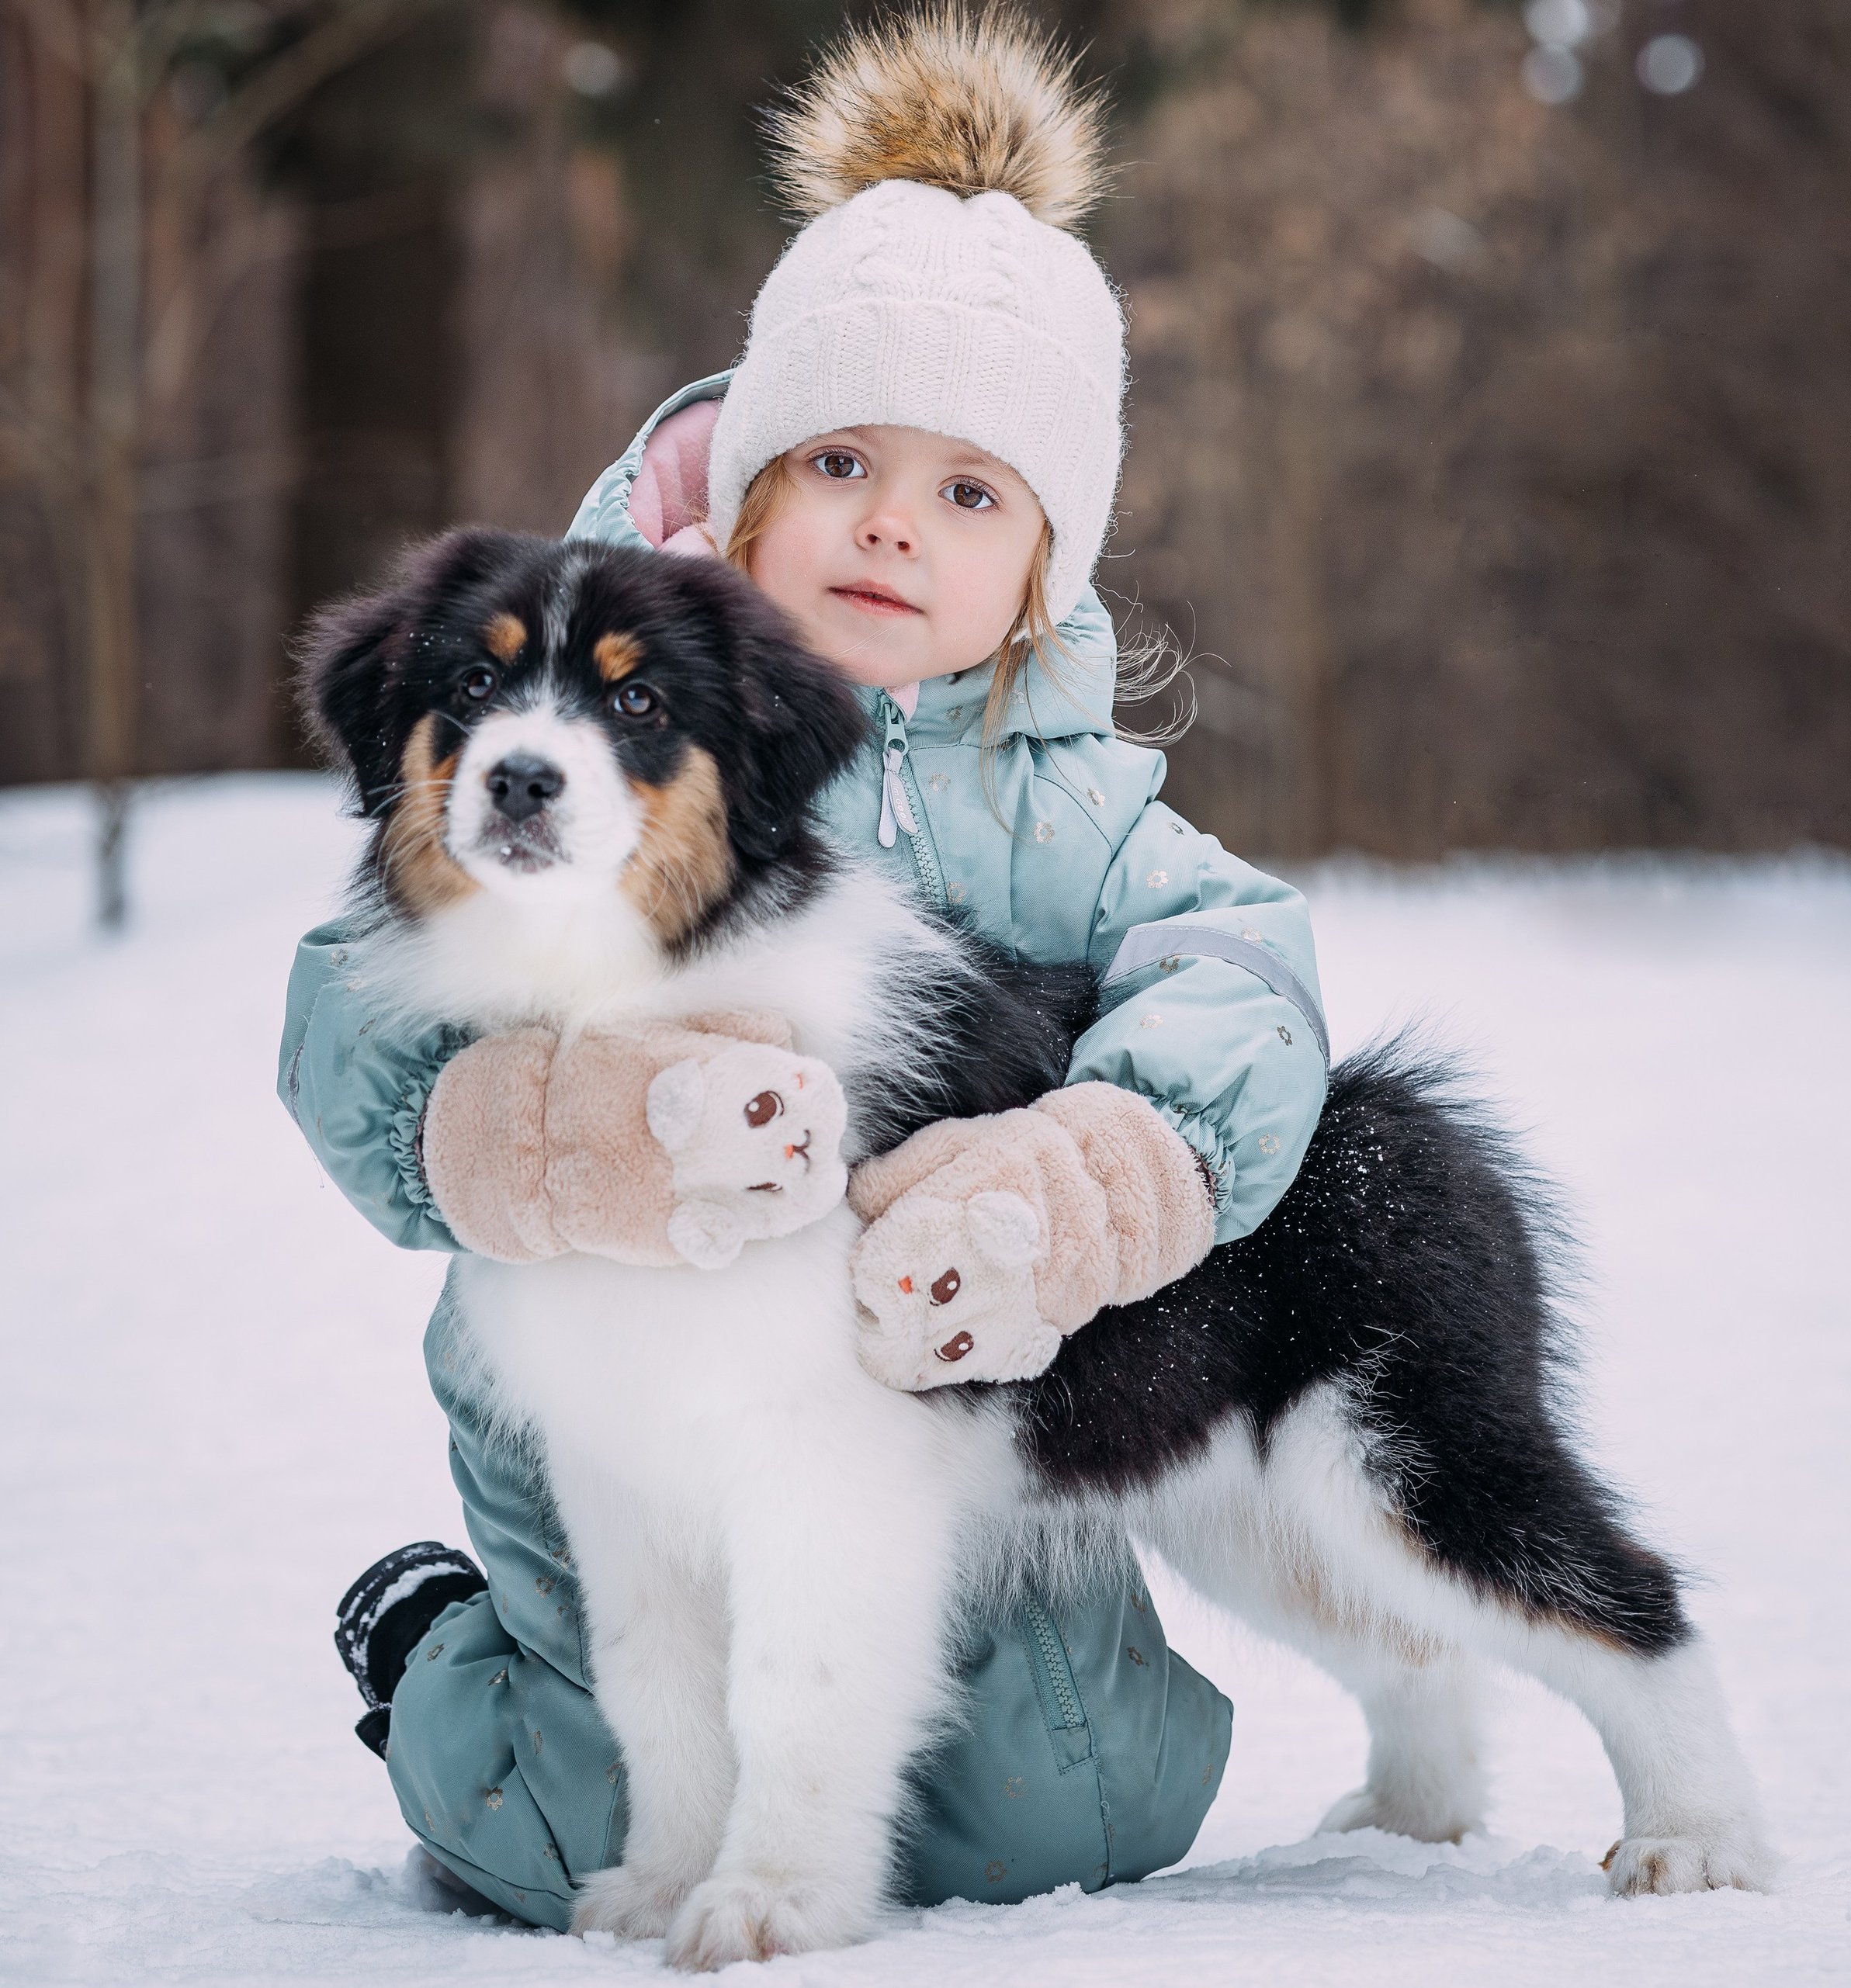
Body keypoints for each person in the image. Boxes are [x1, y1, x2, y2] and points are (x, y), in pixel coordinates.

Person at [284, 6, 1328, 1931]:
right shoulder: (553, 695)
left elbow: (1245, 973)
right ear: (746, 478)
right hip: (590, 1404)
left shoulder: (1063, 805)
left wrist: (1107, 1166)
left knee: (1072, 1815)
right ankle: (442, 1644)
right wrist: (521, 1128)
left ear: (1038, 565)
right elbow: (348, 1031)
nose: (887, 524)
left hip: (931, 1405)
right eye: (839, 455)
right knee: (565, 1829)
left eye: (968, 492)